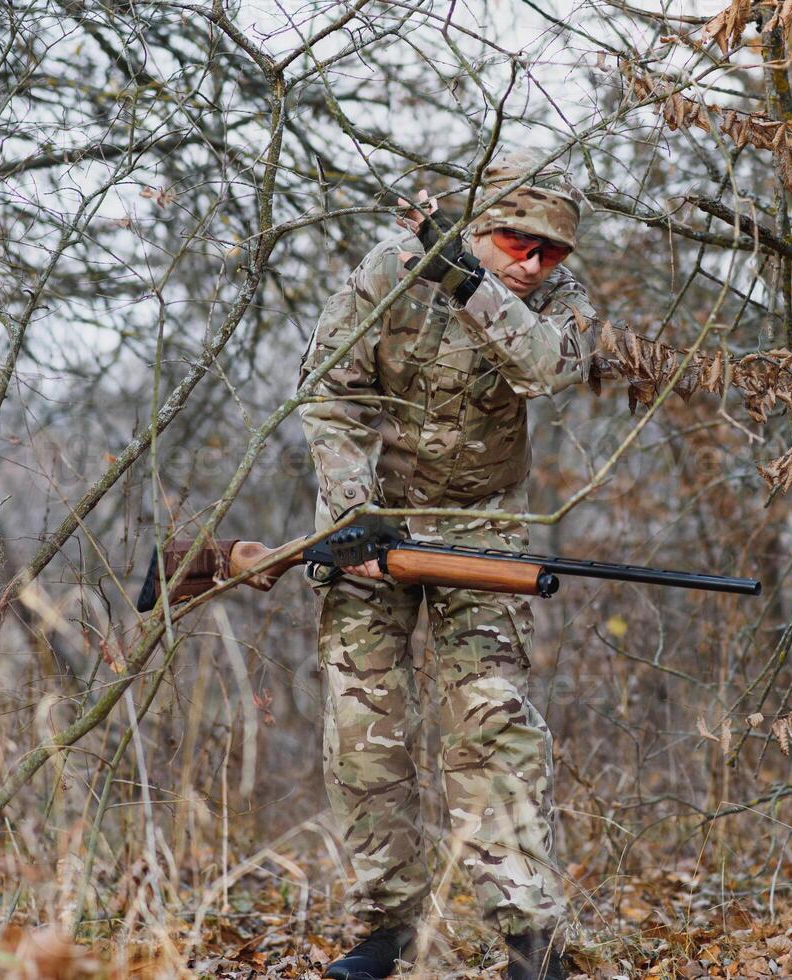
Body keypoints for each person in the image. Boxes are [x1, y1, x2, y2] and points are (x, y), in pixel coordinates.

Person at [297, 149, 598, 980]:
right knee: (366, 733)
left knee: (491, 722)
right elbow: (328, 391)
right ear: (478, 221)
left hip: (481, 528)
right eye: (515, 242)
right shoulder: (389, 273)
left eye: (552, 251)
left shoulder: (561, 303)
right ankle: (383, 931)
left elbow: (544, 371)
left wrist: (471, 280)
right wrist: (354, 516)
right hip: (371, 525)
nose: (534, 264)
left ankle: (531, 942)